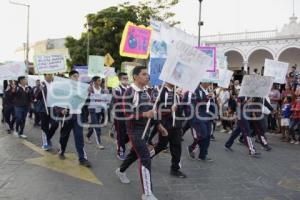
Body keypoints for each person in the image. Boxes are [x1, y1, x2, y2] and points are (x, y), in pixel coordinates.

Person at [115, 66, 158, 200]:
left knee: (134, 154)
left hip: (146, 128)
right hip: (134, 130)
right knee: (145, 158)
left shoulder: (147, 91)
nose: (147, 76)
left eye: (148, 74)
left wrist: (158, 124)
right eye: (144, 74)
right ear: (135, 77)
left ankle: (120, 171)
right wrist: (145, 113)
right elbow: (127, 114)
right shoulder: (129, 92)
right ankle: (147, 193)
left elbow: (151, 109)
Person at [151, 82, 187, 178]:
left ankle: (175, 169)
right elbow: (155, 110)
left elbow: (180, 110)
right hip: (165, 124)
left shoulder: (177, 92)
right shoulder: (160, 91)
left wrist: (181, 124)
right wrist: (168, 111)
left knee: (177, 146)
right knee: (161, 146)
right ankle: (147, 157)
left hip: (176, 125)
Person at [57, 70, 91, 167]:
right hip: (67, 115)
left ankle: (82, 158)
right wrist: (61, 110)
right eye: (75, 76)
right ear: (70, 77)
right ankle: (61, 151)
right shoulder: (64, 88)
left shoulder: (81, 88)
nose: (77, 78)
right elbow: (56, 101)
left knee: (79, 137)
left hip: (78, 115)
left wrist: (88, 93)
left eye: (77, 76)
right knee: (64, 135)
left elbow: (85, 101)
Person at [185, 82, 215, 162]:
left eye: (210, 82)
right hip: (199, 116)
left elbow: (212, 104)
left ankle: (203, 155)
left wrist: (215, 114)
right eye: (208, 81)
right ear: (203, 81)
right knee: (203, 134)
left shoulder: (210, 90)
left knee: (208, 136)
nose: (210, 83)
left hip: (209, 116)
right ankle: (192, 147)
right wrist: (206, 97)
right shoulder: (196, 90)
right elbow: (195, 103)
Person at [35, 74, 59, 150]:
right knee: (44, 126)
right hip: (43, 108)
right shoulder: (41, 84)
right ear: (45, 76)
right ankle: (45, 143)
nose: (50, 76)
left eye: (51, 75)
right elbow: (36, 96)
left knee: (55, 124)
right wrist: (40, 90)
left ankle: (48, 138)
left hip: (53, 108)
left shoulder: (55, 84)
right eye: (48, 75)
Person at [86, 76, 109, 149]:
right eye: (99, 80)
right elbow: (86, 97)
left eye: (101, 80)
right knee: (96, 126)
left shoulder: (102, 90)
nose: (100, 82)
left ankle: (87, 136)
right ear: (95, 81)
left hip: (99, 110)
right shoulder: (90, 88)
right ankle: (99, 143)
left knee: (93, 125)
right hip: (92, 109)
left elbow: (105, 99)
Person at [113, 72, 130, 160]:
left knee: (128, 134)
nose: (126, 80)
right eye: (124, 78)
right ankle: (120, 152)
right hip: (120, 116)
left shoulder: (130, 88)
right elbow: (117, 103)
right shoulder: (117, 89)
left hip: (129, 116)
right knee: (121, 134)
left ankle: (119, 141)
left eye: (127, 78)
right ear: (120, 79)